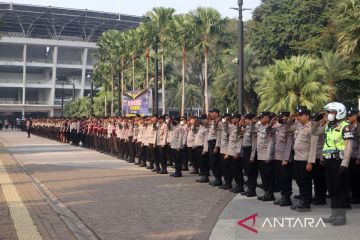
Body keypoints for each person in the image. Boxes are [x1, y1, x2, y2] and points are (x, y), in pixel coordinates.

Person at [312, 102, 353, 226]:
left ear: (339, 112)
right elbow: (314, 132)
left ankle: (341, 216)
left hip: (338, 161)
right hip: (328, 161)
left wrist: (345, 164)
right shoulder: (329, 125)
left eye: (331, 112)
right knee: (331, 188)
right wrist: (320, 121)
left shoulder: (345, 126)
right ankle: (334, 213)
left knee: (340, 188)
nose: (329, 115)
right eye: (329, 112)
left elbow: (348, 146)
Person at [347, 108, 360, 204]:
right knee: (350, 177)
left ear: (356, 116)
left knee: (356, 178)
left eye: (350, 115)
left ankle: (357, 197)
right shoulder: (348, 126)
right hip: (349, 156)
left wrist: (359, 157)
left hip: (355, 155)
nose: (349, 117)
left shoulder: (358, 127)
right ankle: (353, 195)